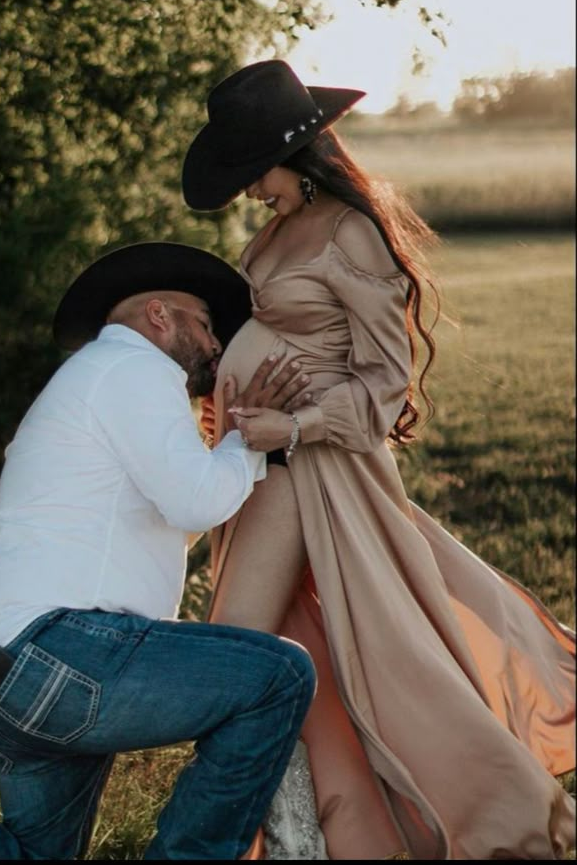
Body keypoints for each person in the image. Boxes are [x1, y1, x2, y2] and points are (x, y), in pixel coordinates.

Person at [181, 60, 576, 860]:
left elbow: (386, 384)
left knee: (239, 652)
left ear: (293, 152)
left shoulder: (349, 229)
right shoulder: (277, 226)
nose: (251, 190)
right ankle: (310, 833)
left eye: (254, 172)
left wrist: (289, 429)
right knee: (283, 653)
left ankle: (289, 835)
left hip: (311, 471)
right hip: (262, 464)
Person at [0, 242, 319, 861]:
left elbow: (177, 520)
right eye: (204, 325)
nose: (214, 345)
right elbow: (198, 502)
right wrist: (251, 438)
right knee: (278, 676)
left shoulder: (96, 380)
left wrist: (227, 452)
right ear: (158, 315)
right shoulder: (135, 369)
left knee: (35, 854)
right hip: (56, 651)